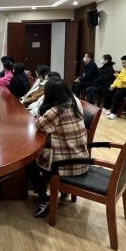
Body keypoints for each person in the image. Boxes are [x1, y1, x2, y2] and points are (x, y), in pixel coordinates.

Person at [25, 79, 89, 218]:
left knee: (28, 161)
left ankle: (43, 198)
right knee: (40, 154)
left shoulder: (57, 110)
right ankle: (62, 190)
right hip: (81, 159)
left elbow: (40, 125)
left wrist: (41, 114)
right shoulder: (73, 103)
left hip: (66, 164)